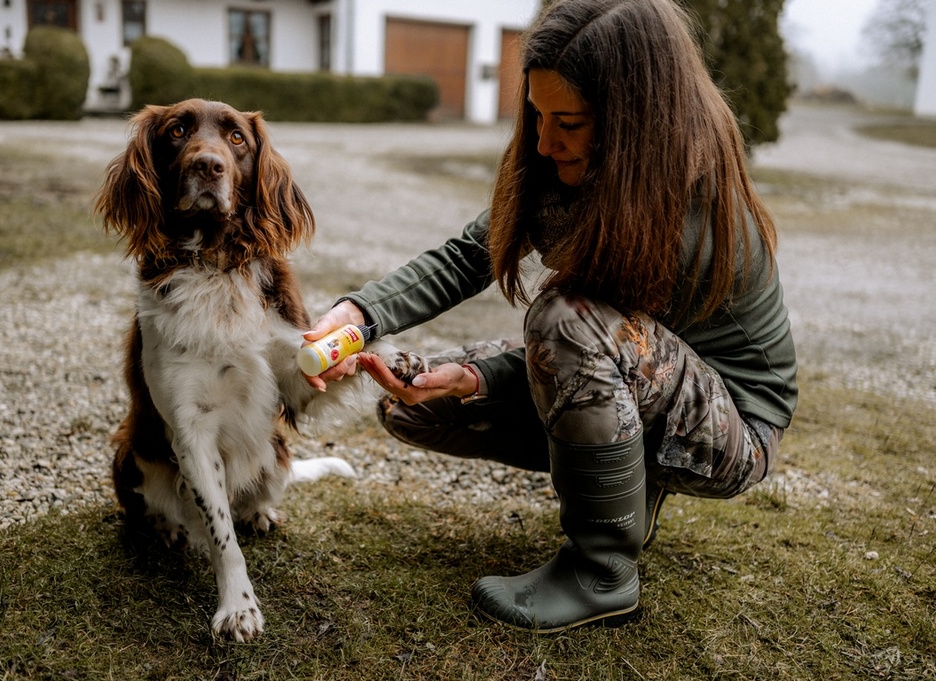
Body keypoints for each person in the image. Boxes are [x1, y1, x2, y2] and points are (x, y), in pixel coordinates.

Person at [304, 0, 797, 633]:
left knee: (564, 320)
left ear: (635, 121)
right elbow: (465, 257)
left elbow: (592, 342)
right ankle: (627, 488)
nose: (543, 140)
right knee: (415, 403)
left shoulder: (687, 210)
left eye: (568, 120)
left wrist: (483, 375)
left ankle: (602, 573)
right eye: (537, 114)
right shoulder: (572, 167)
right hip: (650, 380)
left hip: (734, 428)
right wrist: (358, 314)